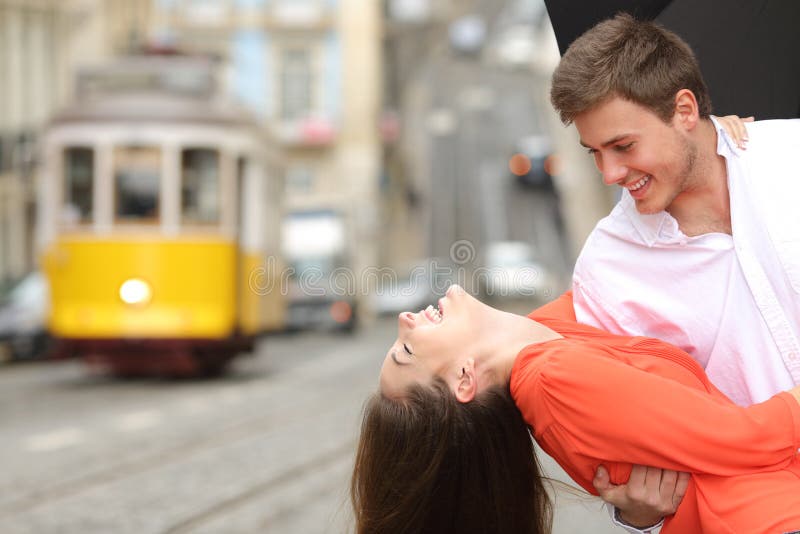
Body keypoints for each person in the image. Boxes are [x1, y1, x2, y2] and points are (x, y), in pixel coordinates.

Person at [549, 14, 800, 530]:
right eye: (594, 153)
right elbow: (631, 431)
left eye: (623, 146)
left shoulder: (789, 158)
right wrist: (633, 508)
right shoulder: (608, 269)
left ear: (685, 109)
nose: (610, 174)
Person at [351, 286, 800, 534]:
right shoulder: (551, 380)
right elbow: (745, 437)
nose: (403, 320)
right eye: (406, 351)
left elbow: (623, 251)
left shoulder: (543, 331)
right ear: (465, 379)